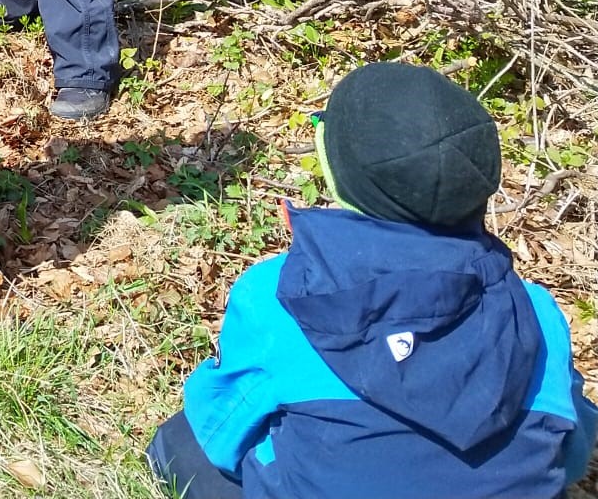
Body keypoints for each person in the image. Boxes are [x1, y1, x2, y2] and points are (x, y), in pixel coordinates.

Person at [149, 62, 596, 499]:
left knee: (180, 441)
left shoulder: (280, 293)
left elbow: (220, 434)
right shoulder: (535, 313)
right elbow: (570, 455)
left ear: (342, 175)